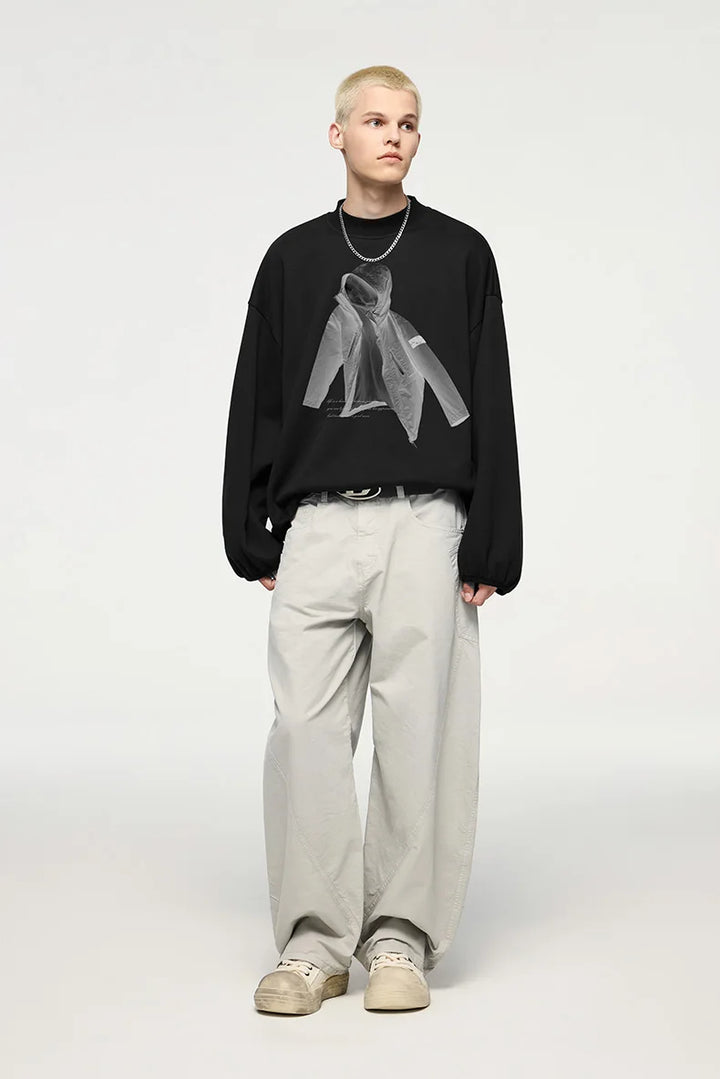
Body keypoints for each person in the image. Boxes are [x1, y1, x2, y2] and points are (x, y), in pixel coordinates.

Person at [222, 65, 523, 1015]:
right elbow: (263, 391)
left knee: (420, 730)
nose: (394, 136)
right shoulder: (292, 259)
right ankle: (314, 945)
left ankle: (400, 937)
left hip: (425, 521)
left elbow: (487, 394)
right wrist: (248, 518)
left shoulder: (461, 253)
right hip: (316, 522)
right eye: (376, 121)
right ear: (338, 135)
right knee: (304, 731)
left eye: (409, 123)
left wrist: (494, 536)